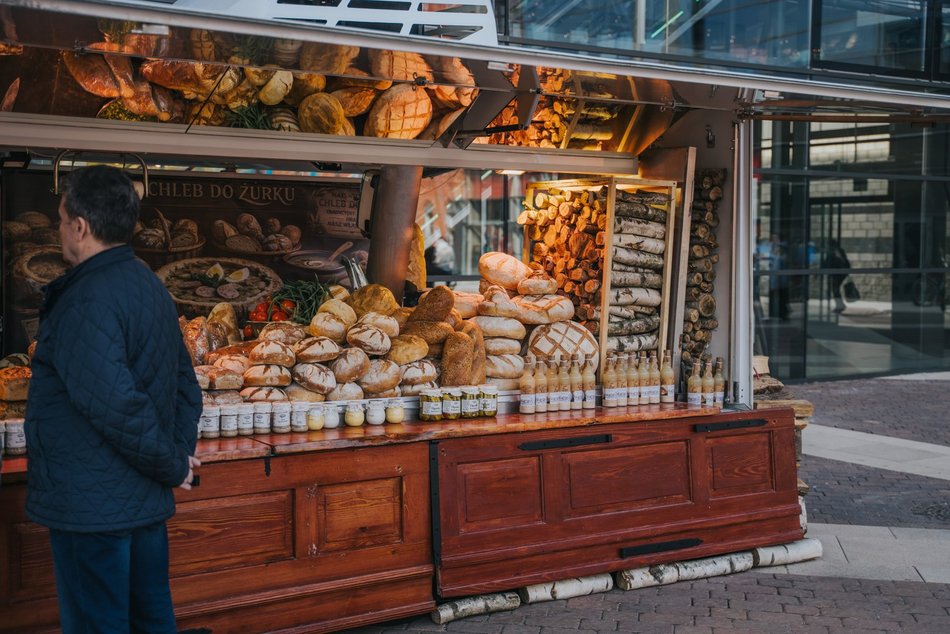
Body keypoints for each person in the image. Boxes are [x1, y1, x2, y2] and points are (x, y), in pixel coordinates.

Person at [25, 165, 201, 633]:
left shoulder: (84, 298)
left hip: (92, 510)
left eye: (62, 219)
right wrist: (176, 455)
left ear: (80, 226)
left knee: (98, 624)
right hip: (139, 501)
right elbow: (187, 385)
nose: (61, 229)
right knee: (150, 620)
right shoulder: (151, 287)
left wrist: (173, 464)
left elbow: (116, 403)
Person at [823, 239, 851, 313]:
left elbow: (827, 262)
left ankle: (840, 305)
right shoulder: (839, 251)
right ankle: (840, 305)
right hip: (839, 273)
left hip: (837, 274)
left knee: (835, 290)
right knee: (835, 289)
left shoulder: (834, 252)